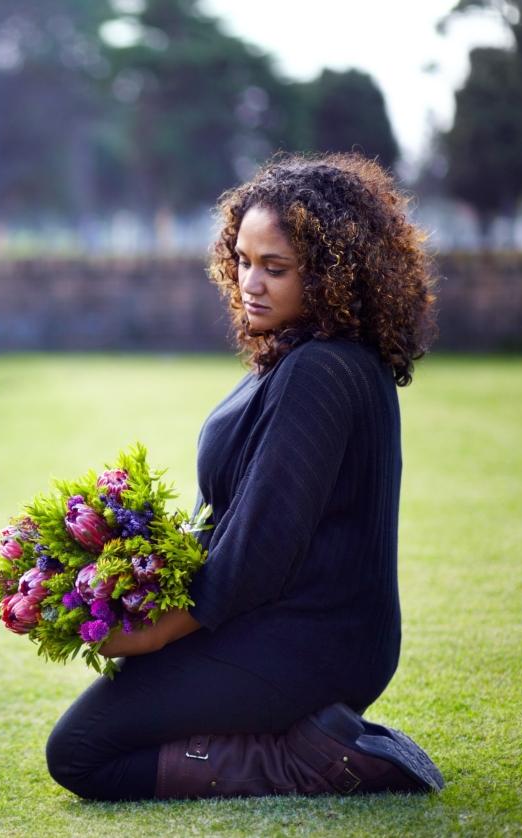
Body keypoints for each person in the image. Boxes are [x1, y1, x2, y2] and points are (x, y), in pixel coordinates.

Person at [44, 152, 445, 801]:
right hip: (285, 624)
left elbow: (260, 550)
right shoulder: (297, 356)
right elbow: (236, 523)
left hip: (312, 639)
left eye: (275, 268)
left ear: (333, 276)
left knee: (81, 753)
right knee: (109, 726)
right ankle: (318, 736)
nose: (250, 282)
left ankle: (315, 758)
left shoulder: (322, 370)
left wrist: (152, 634)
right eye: (243, 260)